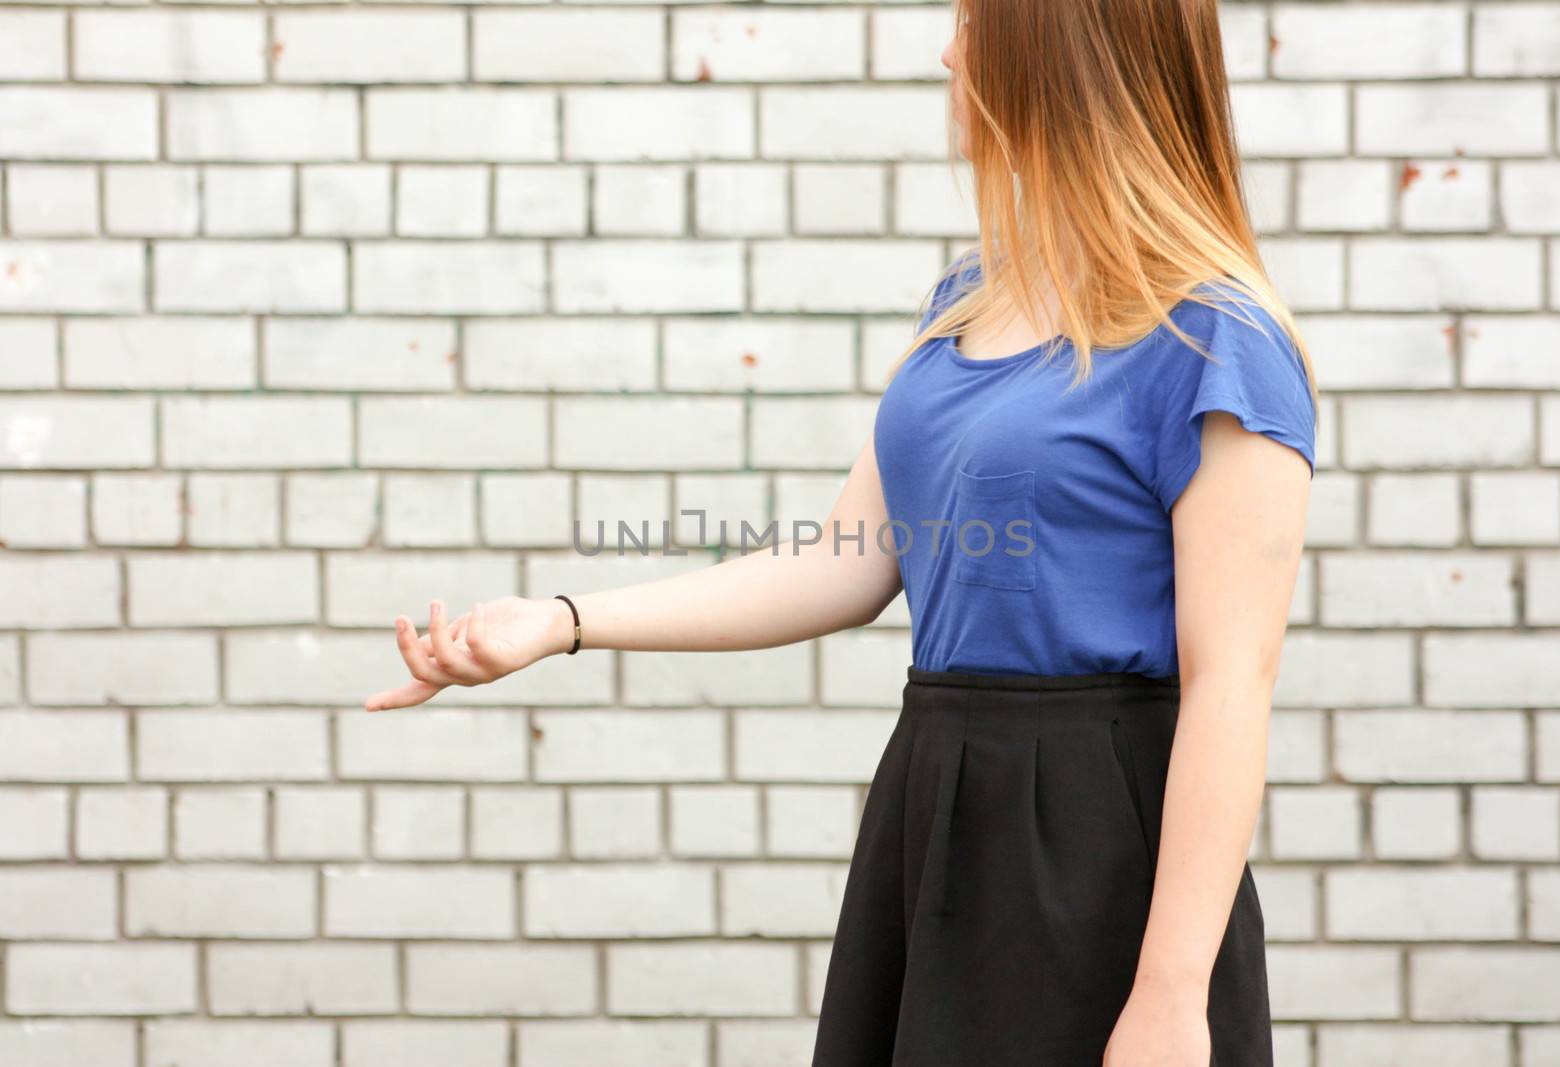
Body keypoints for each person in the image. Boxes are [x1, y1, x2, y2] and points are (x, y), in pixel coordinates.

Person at [364, 0, 1317, 1063]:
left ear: (1057, 52)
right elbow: (846, 559)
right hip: (939, 804)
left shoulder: (1216, 339)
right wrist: (560, 620)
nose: (950, 51)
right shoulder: (968, 301)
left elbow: (1234, 682)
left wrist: (1172, 993)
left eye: (972, 23)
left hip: (1098, 844)